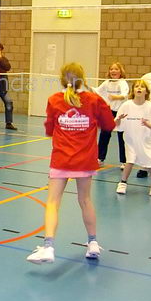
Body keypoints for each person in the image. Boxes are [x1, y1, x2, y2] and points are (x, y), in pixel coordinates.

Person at [26, 62, 115, 264]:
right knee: (85, 200)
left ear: (61, 79)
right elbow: (109, 125)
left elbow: (49, 129)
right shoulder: (94, 100)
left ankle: (48, 247)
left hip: (61, 159)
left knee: (52, 202)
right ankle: (93, 243)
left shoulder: (54, 100)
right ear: (82, 79)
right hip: (85, 161)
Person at [114, 79, 151, 196]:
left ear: (146, 91)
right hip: (130, 139)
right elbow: (117, 124)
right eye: (136, 86)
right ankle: (122, 183)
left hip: (145, 140)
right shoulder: (126, 105)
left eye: (142, 86)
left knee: (150, 161)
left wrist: (147, 124)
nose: (139, 88)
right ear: (133, 90)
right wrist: (118, 119)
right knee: (130, 160)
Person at [95, 62, 129, 168]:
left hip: (121, 112)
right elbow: (97, 91)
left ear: (120, 72)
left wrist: (115, 97)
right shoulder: (107, 83)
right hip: (109, 111)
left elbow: (124, 95)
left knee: (122, 136)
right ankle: (100, 158)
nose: (113, 71)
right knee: (104, 134)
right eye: (111, 69)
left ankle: (124, 161)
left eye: (116, 69)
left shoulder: (122, 82)